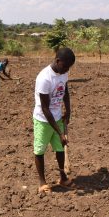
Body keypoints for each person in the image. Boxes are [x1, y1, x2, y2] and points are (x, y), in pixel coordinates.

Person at [33, 47, 76, 193]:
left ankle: (63, 178)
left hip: (57, 117)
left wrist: (68, 111)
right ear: (58, 61)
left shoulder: (63, 73)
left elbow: (65, 91)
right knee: (40, 150)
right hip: (43, 120)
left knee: (59, 148)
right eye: (65, 67)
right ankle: (42, 182)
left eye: (69, 68)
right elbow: (45, 109)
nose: (66, 70)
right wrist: (60, 132)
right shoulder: (44, 78)